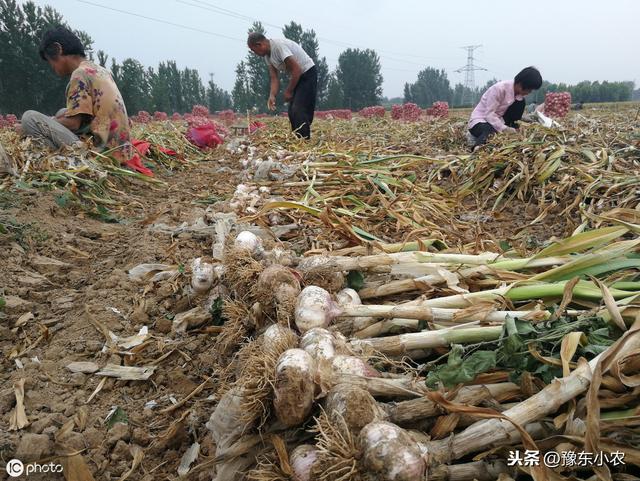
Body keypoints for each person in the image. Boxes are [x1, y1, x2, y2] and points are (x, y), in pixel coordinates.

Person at [20, 26, 131, 159]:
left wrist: (46, 122)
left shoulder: (79, 74)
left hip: (102, 156)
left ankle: (57, 159)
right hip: (120, 152)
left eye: (50, 62)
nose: (53, 68)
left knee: (29, 118)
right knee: (63, 112)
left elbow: (74, 123)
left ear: (57, 49)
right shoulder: (99, 70)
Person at [247, 32, 317, 139]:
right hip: (297, 76)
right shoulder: (267, 56)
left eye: (253, 50)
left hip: (307, 73)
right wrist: (272, 95)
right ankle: (297, 138)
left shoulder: (278, 47)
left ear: (259, 45)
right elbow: (274, 77)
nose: (254, 53)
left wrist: (289, 91)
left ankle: (305, 140)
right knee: (291, 111)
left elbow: (297, 69)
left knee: (298, 109)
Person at [467, 67, 542, 150]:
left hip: (498, 120)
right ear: (521, 84)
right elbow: (489, 115)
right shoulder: (499, 89)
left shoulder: (518, 95)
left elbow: (514, 114)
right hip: (481, 120)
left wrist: (523, 121)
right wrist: (504, 128)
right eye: (529, 89)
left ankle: (506, 129)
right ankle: (477, 147)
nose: (529, 92)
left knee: (520, 103)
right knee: (491, 133)